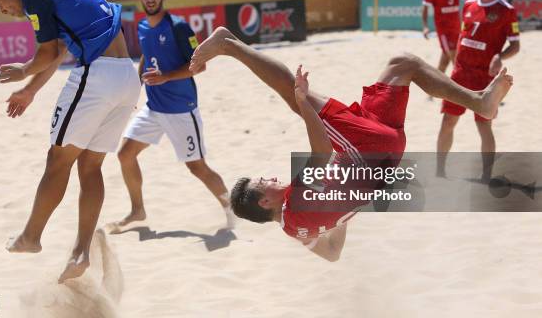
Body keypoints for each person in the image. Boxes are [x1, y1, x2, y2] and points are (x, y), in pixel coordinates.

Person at [188, 26, 513, 261]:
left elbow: (333, 255)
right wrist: (302, 101)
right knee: (292, 94)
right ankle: (228, 44)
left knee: (404, 64)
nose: (272, 177)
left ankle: (480, 101)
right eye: (265, 182)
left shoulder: (298, 232)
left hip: (381, 150)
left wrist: (340, 213)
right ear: (264, 203)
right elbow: (322, 151)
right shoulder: (295, 203)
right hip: (367, 150)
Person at [0, 0, 141, 283]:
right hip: (126, 76)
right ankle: (80, 252)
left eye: (0, 3)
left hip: (97, 76)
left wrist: (24, 70)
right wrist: (30, 90)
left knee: (57, 159)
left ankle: (31, 236)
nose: (4, 10)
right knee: (90, 167)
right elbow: (60, 50)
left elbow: (46, 53)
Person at [111, 0, 233, 232]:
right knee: (125, 154)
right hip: (154, 109)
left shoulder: (179, 27)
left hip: (181, 110)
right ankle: (137, 210)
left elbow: (199, 67)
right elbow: (147, 53)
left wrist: (165, 77)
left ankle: (231, 210)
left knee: (197, 168)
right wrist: (136, 86)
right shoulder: (143, 27)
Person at [436, 0, 520, 182]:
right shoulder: (469, 5)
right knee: (448, 122)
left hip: (485, 78)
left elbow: (516, 45)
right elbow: (464, 37)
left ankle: (486, 176)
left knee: (483, 125)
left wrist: (500, 56)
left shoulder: (506, 11)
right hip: (460, 74)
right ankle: (439, 171)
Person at [422, 0, 471, 74]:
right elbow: (425, 7)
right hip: (442, 28)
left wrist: (470, 18)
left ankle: (435, 84)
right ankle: (460, 83)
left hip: (456, 26)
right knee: (453, 54)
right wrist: (425, 27)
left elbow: (469, 0)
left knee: (446, 58)